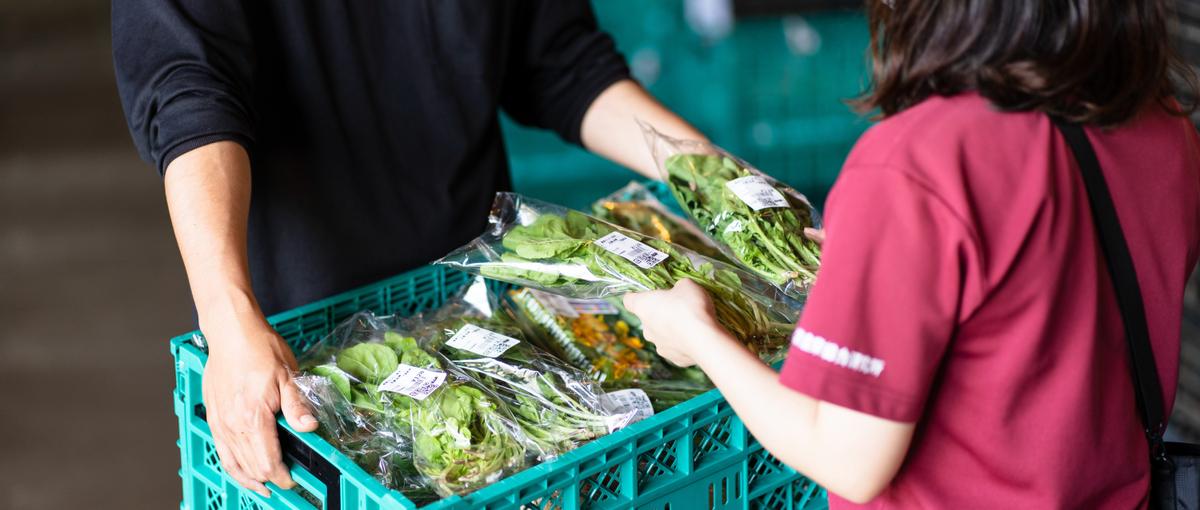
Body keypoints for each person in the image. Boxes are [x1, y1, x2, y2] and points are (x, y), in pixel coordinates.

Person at [111, 0, 705, 497]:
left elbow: (559, 59)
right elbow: (188, 92)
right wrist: (227, 318)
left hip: (474, 303)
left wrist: (711, 177)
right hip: (290, 330)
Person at [624, 1, 1200, 508]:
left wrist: (696, 333)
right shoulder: (1161, 121)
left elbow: (844, 456)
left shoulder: (920, 161)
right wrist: (887, 261)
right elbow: (1051, 311)